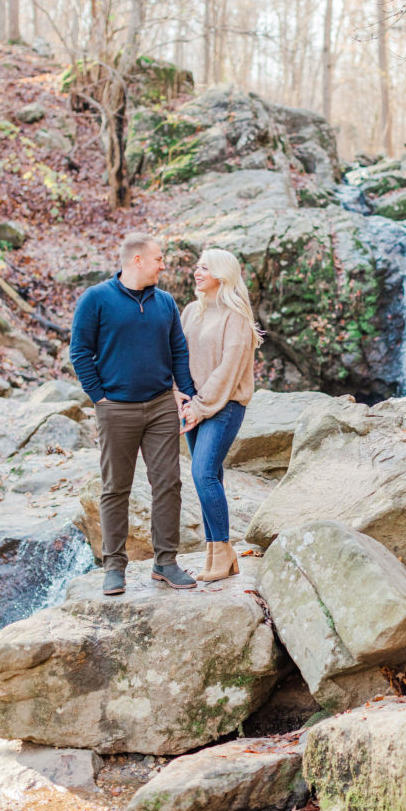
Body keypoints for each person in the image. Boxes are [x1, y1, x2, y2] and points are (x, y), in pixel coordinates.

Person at [70, 231, 197, 596]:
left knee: (169, 484)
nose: (163, 265)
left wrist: (186, 394)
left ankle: (166, 562)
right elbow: (80, 352)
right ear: (137, 260)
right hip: (116, 409)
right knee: (115, 489)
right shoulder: (96, 299)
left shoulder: (166, 302)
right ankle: (114, 567)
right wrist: (99, 398)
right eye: (158, 259)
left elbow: (179, 352)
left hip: (160, 406)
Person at [179, 248, 262, 582]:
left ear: (222, 275)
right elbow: (176, 355)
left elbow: (229, 369)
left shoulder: (236, 316)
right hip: (193, 405)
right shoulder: (190, 312)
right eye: (196, 266)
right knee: (208, 476)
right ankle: (215, 555)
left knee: (203, 474)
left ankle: (224, 549)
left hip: (225, 406)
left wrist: (199, 408)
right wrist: (179, 396)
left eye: (204, 268)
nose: (197, 272)